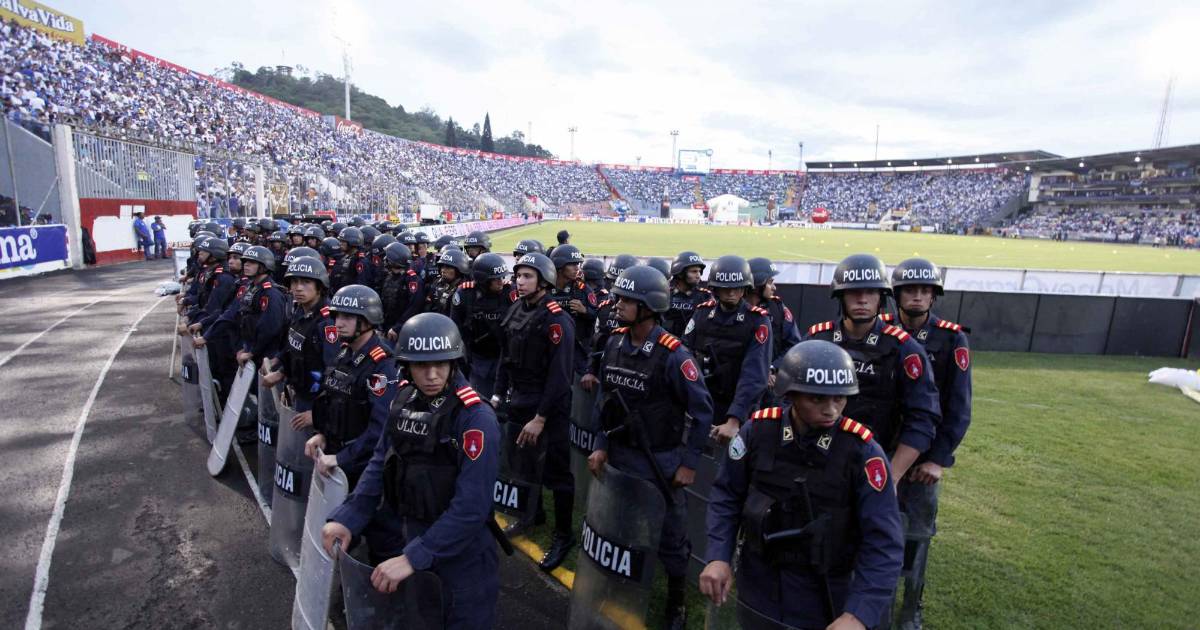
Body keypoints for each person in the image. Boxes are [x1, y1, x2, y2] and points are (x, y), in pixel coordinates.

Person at [700, 340, 904, 629]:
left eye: (839, 399)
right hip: (759, 583)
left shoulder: (863, 452)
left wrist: (858, 614)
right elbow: (727, 496)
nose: (831, 410)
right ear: (791, 394)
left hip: (825, 592)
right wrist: (718, 557)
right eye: (817, 399)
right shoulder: (758, 432)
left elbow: (884, 542)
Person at [322, 313, 501, 629]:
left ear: (454, 362)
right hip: (414, 535)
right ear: (405, 366)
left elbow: (472, 507)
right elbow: (380, 463)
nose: (431, 375)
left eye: (441, 364)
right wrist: (348, 517)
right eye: (421, 365)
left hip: (463, 556)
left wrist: (413, 557)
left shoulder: (475, 418)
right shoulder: (403, 399)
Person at [586, 264, 714, 629]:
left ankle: (677, 601)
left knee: (671, 536)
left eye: (626, 300)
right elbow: (606, 402)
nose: (618, 304)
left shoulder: (674, 355)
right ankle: (621, 588)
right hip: (620, 456)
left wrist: (689, 463)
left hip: (660, 461)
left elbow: (703, 411)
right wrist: (601, 444)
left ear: (648, 307)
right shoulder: (614, 343)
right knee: (621, 527)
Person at [802, 254, 939, 484]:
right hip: (817, 458)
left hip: (880, 459)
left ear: (881, 298)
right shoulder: (817, 339)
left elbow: (922, 417)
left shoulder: (904, 348)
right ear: (841, 297)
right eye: (854, 292)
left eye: (871, 292)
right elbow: (789, 401)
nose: (862, 300)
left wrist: (891, 477)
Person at [889, 258, 973, 629]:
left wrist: (938, 459)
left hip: (922, 461)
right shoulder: (881, 331)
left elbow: (958, 407)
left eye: (925, 291)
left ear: (934, 296)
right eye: (911, 290)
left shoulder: (952, 339)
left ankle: (911, 605)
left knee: (917, 534)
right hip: (879, 451)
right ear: (897, 294)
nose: (918, 297)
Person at [492, 252, 576, 570]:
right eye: (518, 276)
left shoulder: (557, 320)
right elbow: (506, 357)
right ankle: (532, 514)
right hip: (520, 400)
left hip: (549, 408)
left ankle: (564, 535)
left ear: (544, 281)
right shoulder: (517, 308)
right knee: (524, 465)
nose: (520, 281)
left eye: (527, 276)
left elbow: (560, 376)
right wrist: (497, 395)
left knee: (557, 474)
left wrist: (540, 418)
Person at [306, 285, 399, 489]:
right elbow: (332, 401)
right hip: (334, 458)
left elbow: (380, 430)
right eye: (337, 316)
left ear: (367, 321)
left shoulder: (382, 366)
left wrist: (341, 458)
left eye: (347, 317)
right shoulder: (344, 353)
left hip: (360, 469)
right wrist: (321, 434)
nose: (338, 323)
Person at [682, 255, 771, 443]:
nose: (731, 292)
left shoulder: (757, 321)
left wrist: (734, 419)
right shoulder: (702, 313)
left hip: (737, 409)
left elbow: (754, 374)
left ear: (745, 288)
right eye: (725, 288)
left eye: (736, 287)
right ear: (715, 289)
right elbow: (684, 354)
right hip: (700, 404)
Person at [261, 255, 337, 427]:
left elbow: (335, 372)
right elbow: (295, 349)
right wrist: (282, 373)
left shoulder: (328, 322)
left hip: (317, 402)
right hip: (300, 391)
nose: (298, 288)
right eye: (294, 282)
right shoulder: (300, 310)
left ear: (319, 286)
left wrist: (319, 413)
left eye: (306, 282)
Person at [450, 252, 515, 401]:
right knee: (480, 399)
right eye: (495, 279)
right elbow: (455, 328)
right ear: (483, 280)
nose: (501, 281)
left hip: (504, 356)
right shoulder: (465, 294)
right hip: (478, 358)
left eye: (502, 277)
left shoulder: (510, 292)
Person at [746, 257, 803, 404]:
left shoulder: (777, 308)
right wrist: (761, 373)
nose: (774, 287)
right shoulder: (738, 311)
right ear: (757, 284)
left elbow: (794, 345)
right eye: (770, 282)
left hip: (773, 384)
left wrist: (773, 368)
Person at [380, 242, 425, 342]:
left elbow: (414, 307)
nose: (385, 259)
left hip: (403, 330)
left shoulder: (412, 280)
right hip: (388, 327)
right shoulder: (389, 277)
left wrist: (398, 327)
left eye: (387, 257)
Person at [664, 251, 709, 338]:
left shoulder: (705, 296)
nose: (698, 275)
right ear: (680, 274)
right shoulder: (665, 295)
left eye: (699, 271)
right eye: (694, 271)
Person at [425, 248, 470, 315]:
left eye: (448, 267)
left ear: (459, 270)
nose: (443, 270)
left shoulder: (466, 290)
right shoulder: (437, 283)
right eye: (442, 266)